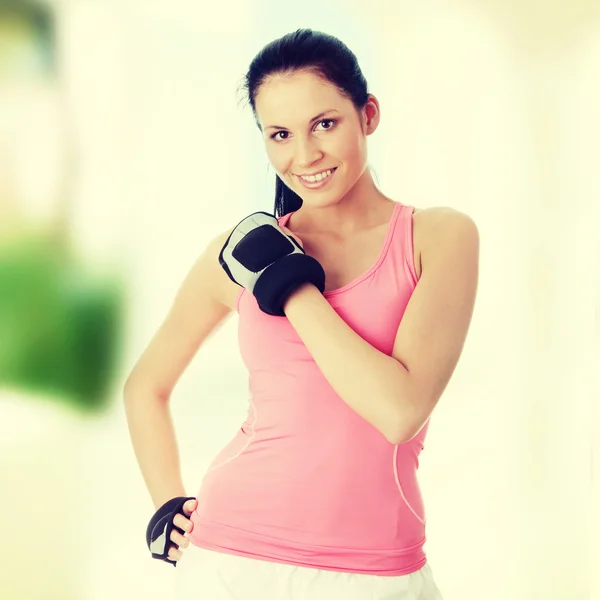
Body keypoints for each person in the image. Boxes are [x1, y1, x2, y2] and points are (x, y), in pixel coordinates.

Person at [124, 28, 479, 600]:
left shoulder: (438, 237)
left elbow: (399, 411)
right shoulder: (240, 252)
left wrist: (292, 286)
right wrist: (167, 502)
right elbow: (146, 385)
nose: (304, 156)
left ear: (368, 115)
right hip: (227, 559)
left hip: (375, 571)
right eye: (280, 135)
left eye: (325, 124)